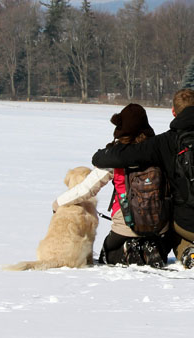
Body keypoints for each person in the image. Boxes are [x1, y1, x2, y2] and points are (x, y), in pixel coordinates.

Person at [91, 88, 194, 271]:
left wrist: (100, 156)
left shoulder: (165, 142)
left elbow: (125, 156)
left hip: (187, 225)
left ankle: (187, 251)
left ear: (173, 111)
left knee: (170, 227)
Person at [54, 103, 177, 267]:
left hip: (126, 223)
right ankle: (151, 248)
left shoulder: (115, 156)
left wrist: (59, 202)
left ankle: (129, 248)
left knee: (107, 254)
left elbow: (86, 189)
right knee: (160, 240)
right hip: (159, 224)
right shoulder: (158, 150)